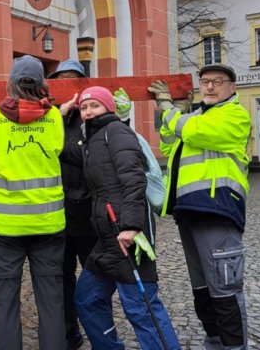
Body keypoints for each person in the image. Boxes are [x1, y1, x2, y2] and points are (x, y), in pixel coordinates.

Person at [59, 86, 181, 350]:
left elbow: (134, 180)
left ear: (109, 108)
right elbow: (60, 149)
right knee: (87, 299)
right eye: (84, 107)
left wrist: (131, 226)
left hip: (128, 237)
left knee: (142, 309)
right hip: (105, 240)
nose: (88, 112)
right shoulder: (90, 141)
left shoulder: (117, 133)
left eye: (95, 106)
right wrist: (59, 115)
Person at [148, 63, 251, 350]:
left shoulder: (234, 115)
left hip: (218, 211)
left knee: (225, 292)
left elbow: (191, 131)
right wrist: (173, 114)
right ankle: (215, 344)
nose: (209, 87)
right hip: (190, 212)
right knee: (203, 293)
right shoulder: (194, 116)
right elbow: (169, 146)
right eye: (205, 81)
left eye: (217, 82)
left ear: (232, 87)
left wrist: (169, 109)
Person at [0, 55, 66, 350]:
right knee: (51, 300)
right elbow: (58, 148)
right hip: (48, 223)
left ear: (11, 83)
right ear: (42, 84)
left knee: (5, 302)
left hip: (4, 226)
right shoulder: (54, 116)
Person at [47, 59, 96, 349]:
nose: (66, 84)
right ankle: (69, 332)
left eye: (72, 79)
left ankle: (97, 329)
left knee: (93, 280)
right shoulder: (49, 117)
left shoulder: (90, 117)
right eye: (60, 79)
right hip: (56, 214)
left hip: (87, 215)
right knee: (61, 280)